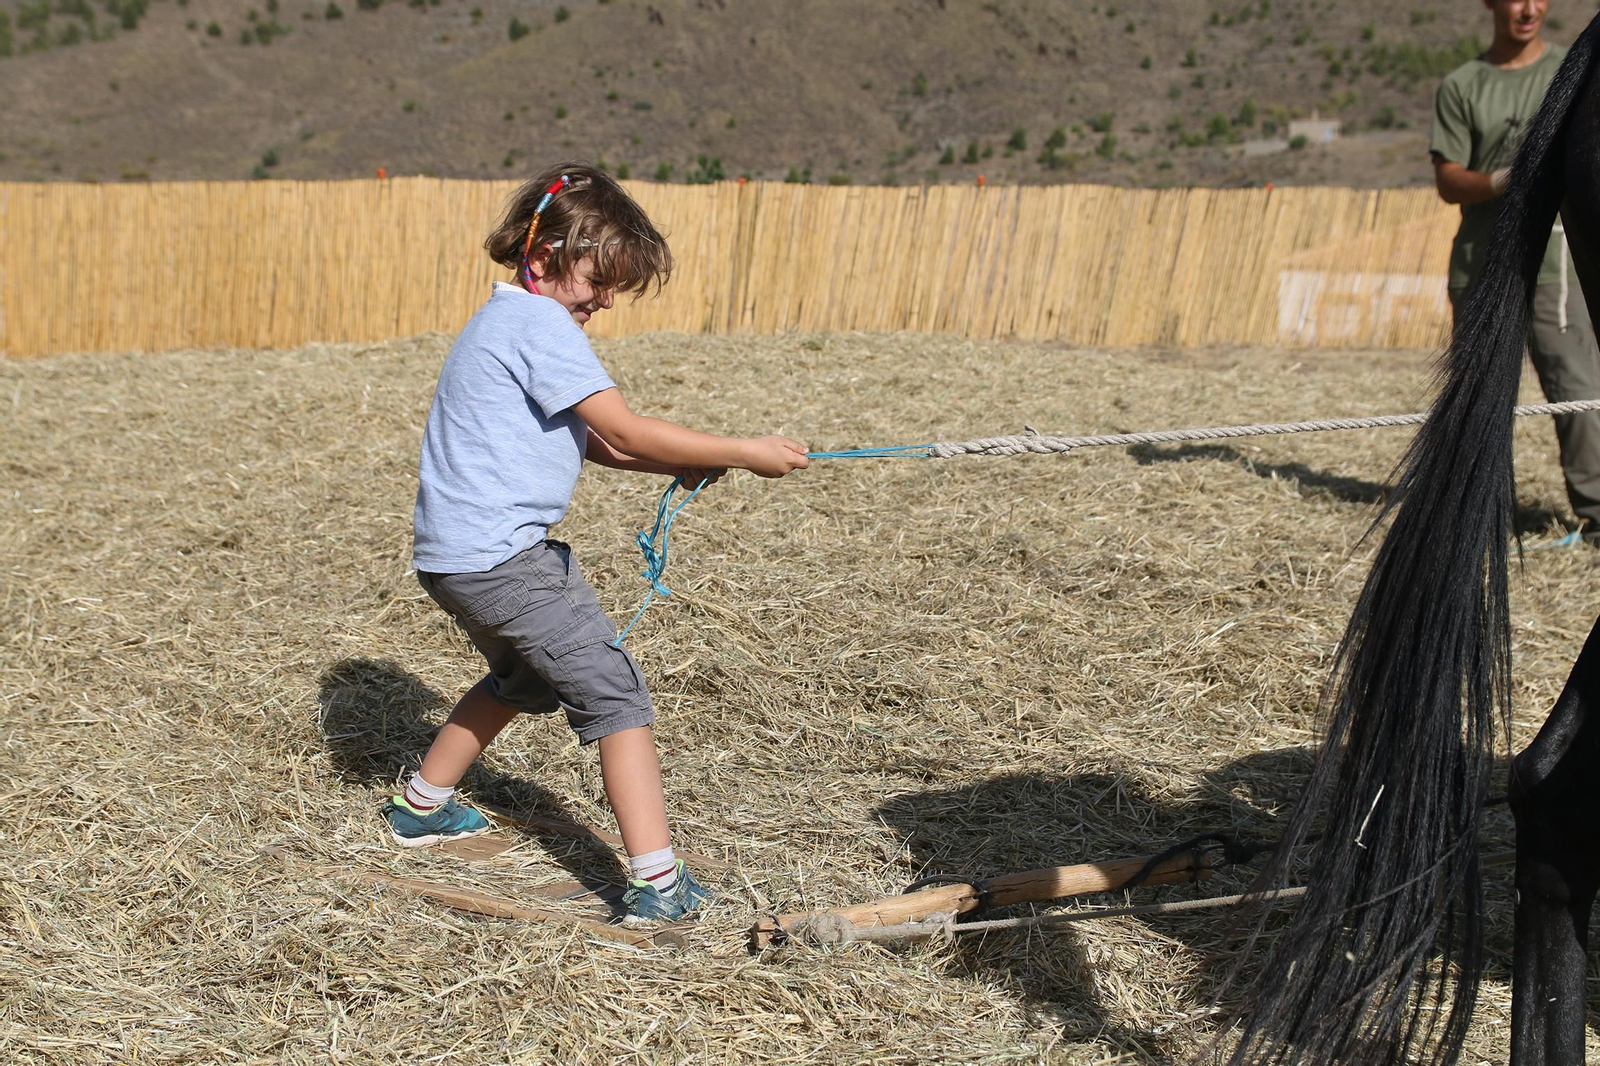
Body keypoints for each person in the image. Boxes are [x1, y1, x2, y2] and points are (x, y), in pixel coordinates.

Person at [388, 162, 810, 923]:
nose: (605, 299)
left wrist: (693, 459)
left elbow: (597, 446)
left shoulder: (500, 321)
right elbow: (619, 426)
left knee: (523, 681)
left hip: (453, 561)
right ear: (543, 255)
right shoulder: (538, 324)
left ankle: (422, 807)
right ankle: (658, 884)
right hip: (505, 562)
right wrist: (746, 447)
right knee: (616, 696)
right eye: (599, 279)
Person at [1431, 0, 1600, 542]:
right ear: (1491, 4)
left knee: (1578, 390)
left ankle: (1597, 515)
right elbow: (1449, 179)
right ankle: (1479, 518)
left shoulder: (1573, 71)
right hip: (1479, 267)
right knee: (1478, 397)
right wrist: (1513, 178)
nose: (1528, 8)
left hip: (1557, 268)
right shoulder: (1463, 85)